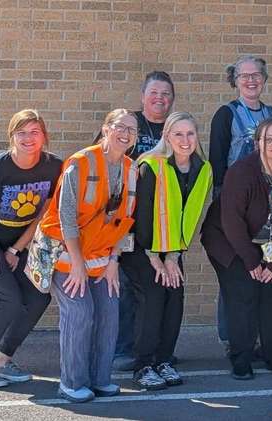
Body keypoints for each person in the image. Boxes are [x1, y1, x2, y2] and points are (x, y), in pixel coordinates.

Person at [27, 109, 139, 402]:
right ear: (105, 130)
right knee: (80, 312)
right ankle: (71, 383)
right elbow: (65, 216)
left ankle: (100, 379)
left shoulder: (132, 170)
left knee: (108, 312)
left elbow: (126, 220)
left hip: (102, 256)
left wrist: (114, 261)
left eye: (132, 129)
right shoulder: (80, 163)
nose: (126, 133)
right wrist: (76, 264)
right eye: (120, 126)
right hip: (64, 253)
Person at [201, 118, 272, 380]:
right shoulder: (242, 171)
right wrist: (251, 262)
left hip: (269, 243)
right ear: (257, 143)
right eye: (268, 139)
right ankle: (241, 358)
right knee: (243, 293)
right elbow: (231, 222)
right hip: (228, 240)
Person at [92, 71, 176, 371]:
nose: (160, 98)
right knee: (124, 288)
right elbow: (100, 160)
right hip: (122, 224)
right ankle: (121, 349)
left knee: (159, 289)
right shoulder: (128, 125)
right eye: (154, 92)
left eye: (166, 94)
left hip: (160, 227)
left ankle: (153, 348)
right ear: (143, 96)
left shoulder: (174, 130)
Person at [122, 112, 212, 390]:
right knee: (153, 300)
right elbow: (143, 216)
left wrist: (173, 257)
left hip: (172, 249)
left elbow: (192, 216)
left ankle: (163, 360)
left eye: (190, 134)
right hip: (142, 248)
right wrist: (155, 258)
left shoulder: (203, 168)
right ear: (166, 137)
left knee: (175, 300)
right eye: (178, 134)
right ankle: (143, 365)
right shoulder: (151, 165)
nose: (185, 140)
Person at [0, 110, 62, 388]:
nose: (28, 138)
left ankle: (1, 361)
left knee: (38, 298)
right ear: (11, 136)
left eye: (34, 132)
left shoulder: (53, 168)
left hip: (19, 242)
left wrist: (15, 250)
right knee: (8, 300)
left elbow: (43, 214)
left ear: (44, 136)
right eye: (21, 132)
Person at [207, 55, 272, 352]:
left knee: (265, 267)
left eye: (257, 75)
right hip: (237, 208)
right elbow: (217, 162)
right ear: (234, 80)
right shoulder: (226, 115)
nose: (251, 80)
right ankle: (233, 338)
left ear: (264, 78)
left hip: (268, 208)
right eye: (244, 75)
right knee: (236, 271)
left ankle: (262, 336)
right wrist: (225, 209)